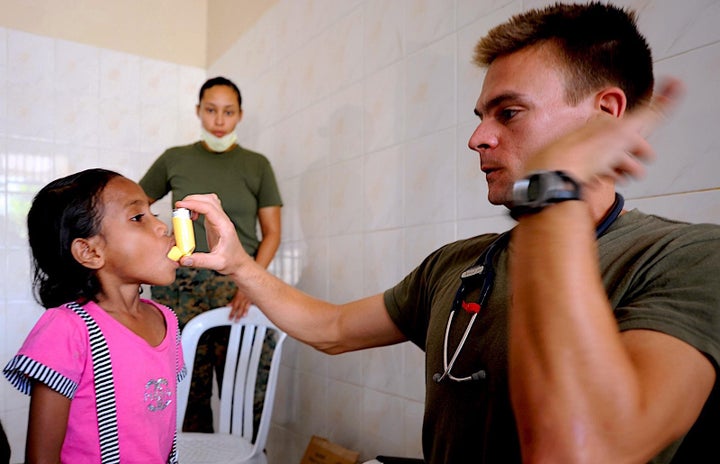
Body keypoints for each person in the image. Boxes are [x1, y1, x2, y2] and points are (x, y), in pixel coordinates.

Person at [177, 3, 720, 464]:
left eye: (508, 113)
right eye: (483, 115)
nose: (478, 137)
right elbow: (333, 327)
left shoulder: (688, 259)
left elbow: (579, 451)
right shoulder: (457, 265)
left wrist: (554, 193)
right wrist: (238, 264)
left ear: (605, 116)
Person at [2, 169, 185, 463]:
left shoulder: (167, 319)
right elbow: (41, 457)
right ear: (89, 252)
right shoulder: (66, 329)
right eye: (138, 218)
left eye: (154, 214)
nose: (162, 227)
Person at [139, 76, 283, 433]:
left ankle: (248, 453)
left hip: (238, 283)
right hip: (182, 285)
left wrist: (249, 284)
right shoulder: (175, 158)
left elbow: (273, 233)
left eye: (228, 111)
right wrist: (161, 238)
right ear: (198, 112)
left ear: (240, 115)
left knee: (247, 386)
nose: (219, 120)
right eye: (211, 110)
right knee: (188, 388)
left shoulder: (257, 165)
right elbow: (134, 207)